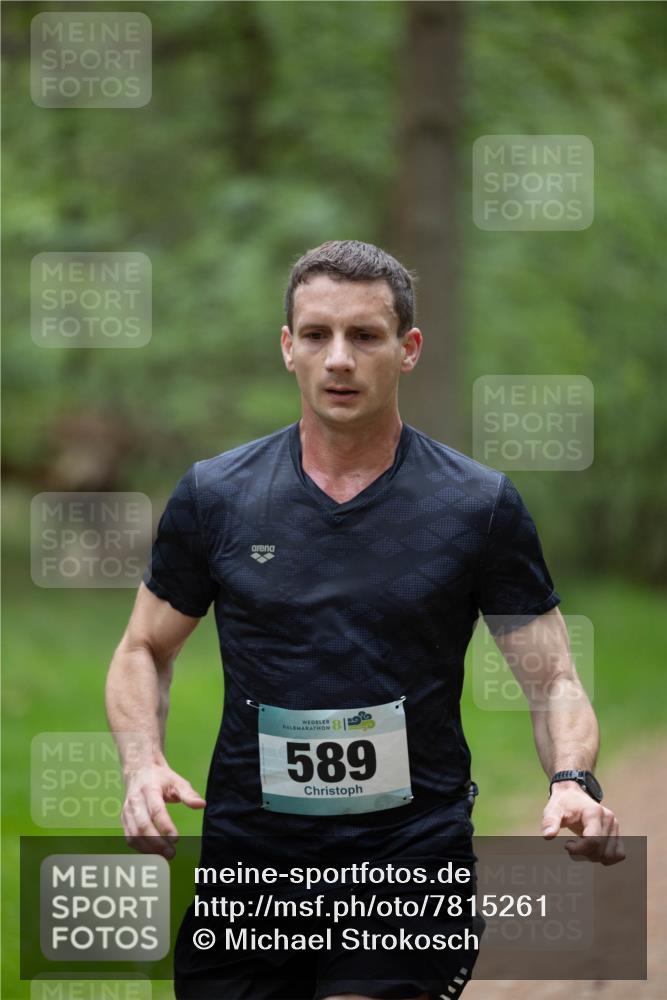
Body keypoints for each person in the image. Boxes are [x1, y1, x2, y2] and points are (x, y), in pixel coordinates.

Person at [106, 240, 624, 1000]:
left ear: (407, 349)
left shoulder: (474, 507)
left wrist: (572, 781)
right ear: (288, 348)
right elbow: (143, 647)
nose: (338, 359)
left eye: (365, 336)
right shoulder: (217, 496)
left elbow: (552, 680)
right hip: (250, 860)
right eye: (316, 335)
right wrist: (141, 765)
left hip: (408, 858)